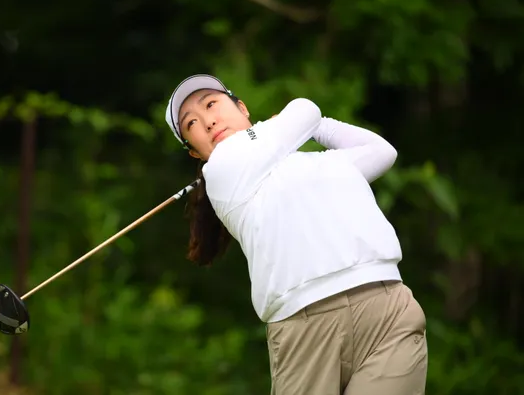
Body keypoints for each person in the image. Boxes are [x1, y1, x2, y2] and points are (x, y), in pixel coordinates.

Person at [164, 74, 428, 395]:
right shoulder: (220, 170)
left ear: (242, 108)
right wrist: (295, 124)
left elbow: (380, 151)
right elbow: (305, 109)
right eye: (191, 123)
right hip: (304, 326)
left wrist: (314, 127)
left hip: (385, 308)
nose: (208, 122)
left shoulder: (316, 163)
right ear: (194, 153)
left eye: (211, 104)